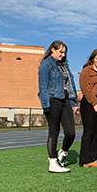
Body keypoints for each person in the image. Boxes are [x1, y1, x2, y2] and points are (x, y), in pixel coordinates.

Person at [38, 40, 78, 173]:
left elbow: (71, 84)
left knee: (71, 132)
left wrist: (73, 102)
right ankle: (53, 162)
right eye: (60, 52)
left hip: (65, 98)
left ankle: (63, 153)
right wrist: (46, 105)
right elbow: (43, 86)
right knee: (54, 131)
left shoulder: (64, 65)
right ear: (52, 50)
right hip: (52, 98)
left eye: (64, 52)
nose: (63, 54)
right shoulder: (46, 64)